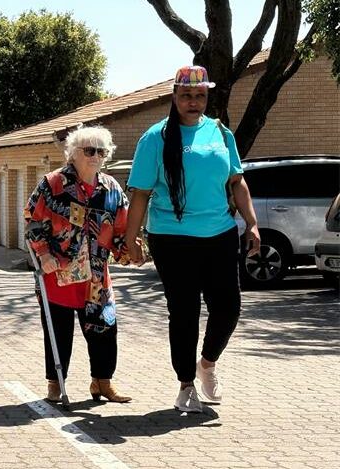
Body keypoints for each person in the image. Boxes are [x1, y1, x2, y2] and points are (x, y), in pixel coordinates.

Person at [125, 65, 261, 413]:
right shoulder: (155, 138)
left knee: (229, 309)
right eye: (186, 95)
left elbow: (237, 182)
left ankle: (207, 364)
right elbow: (139, 193)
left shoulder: (219, 133)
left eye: (200, 95)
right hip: (172, 237)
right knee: (184, 313)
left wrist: (252, 223)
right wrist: (131, 238)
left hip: (219, 233)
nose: (193, 102)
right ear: (174, 96)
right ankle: (186, 383)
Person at [25, 125, 134, 404]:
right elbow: (33, 218)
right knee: (59, 332)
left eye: (101, 151)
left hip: (96, 274)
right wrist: (44, 254)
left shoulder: (110, 188)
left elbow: (122, 226)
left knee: (104, 328)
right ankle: (55, 384)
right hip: (59, 272)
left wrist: (129, 250)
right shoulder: (53, 184)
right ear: (74, 153)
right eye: (89, 150)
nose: (95, 156)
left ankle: (102, 383)